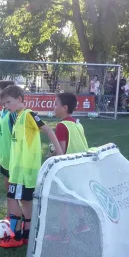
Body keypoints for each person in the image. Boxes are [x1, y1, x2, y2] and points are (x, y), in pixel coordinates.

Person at [0, 85, 64, 249]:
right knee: (26, 202)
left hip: (23, 171)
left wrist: (59, 152)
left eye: (8, 102)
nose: (6, 106)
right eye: (4, 103)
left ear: (20, 99)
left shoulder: (28, 115)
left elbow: (48, 130)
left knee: (12, 200)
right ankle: (27, 235)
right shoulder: (18, 116)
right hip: (22, 170)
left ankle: (15, 236)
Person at [46, 92, 91, 243]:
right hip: (80, 166)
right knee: (72, 197)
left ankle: (63, 234)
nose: (54, 107)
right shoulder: (77, 123)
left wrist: (49, 155)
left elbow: (61, 152)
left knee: (62, 202)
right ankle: (83, 224)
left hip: (67, 169)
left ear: (64, 107)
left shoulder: (61, 126)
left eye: (56, 104)